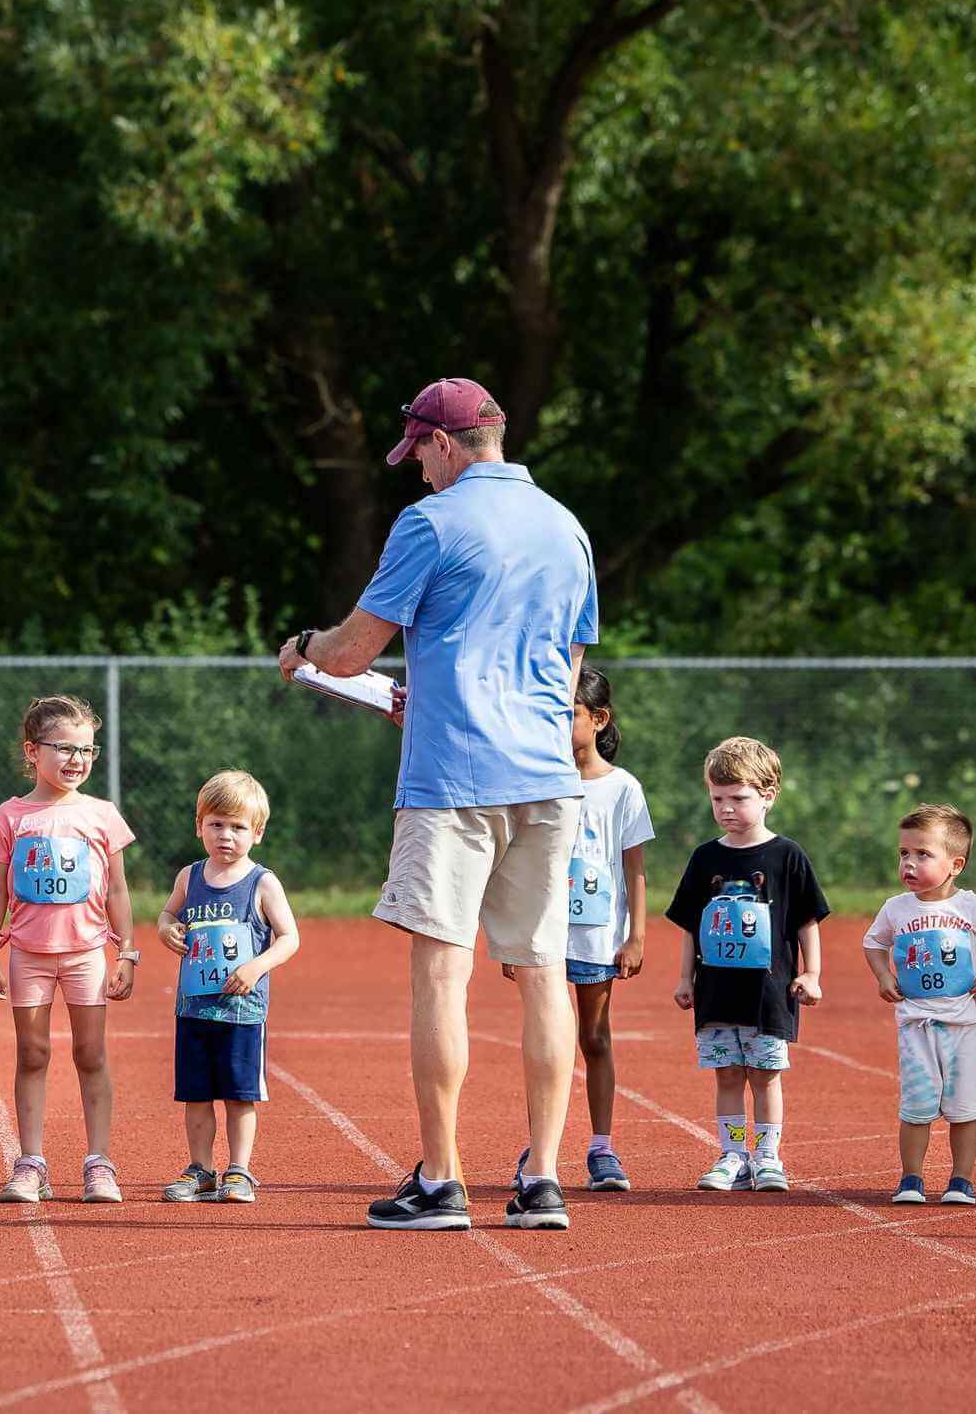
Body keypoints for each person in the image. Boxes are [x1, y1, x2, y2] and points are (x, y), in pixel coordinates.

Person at [277, 376, 598, 1231]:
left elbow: (349, 653)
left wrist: (302, 648)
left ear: (446, 444)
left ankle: (442, 1179)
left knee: (442, 975)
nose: (415, 470)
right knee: (540, 977)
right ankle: (544, 1181)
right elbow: (562, 670)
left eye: (417, 452)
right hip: (545, 777)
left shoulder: (431, 522)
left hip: (454, 780)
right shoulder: (566, 527)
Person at [0, 694, 138, 1204]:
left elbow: (117, 890)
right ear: (32, 751)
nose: (76, 760)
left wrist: (127, 952)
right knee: (33, 1053)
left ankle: (99, 1163)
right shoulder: (11, 815)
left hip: (87, 954)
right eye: (64, 748)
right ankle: (31, 1163)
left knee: (90, 1054)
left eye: (87, 751)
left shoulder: (102, 814)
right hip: (28, 954)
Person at [503, 666, 653, 1192]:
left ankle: (601, 1148)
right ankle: (540, 1150)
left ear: (599, 719)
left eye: (567, 715)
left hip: (597, 935)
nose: (555, 724)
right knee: (547, 1038)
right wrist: (514, 932)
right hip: (542, 934)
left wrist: (635, 935)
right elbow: (519, 863)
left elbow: (634, 867)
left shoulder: (622, 789)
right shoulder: (536, 780)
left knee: (593, 1037)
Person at [667, 736, 826, 1193]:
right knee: (728, 1074)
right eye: (718, 798)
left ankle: (768, 1157)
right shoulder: (705, 858)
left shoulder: (787, 856)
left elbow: (806, 921)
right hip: (717, 990)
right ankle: (733, 1154)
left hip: (768, 992)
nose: (727, 808)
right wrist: (684, 978)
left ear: (768, 795)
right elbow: (691, 926)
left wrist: (811, 973)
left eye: (739, 798)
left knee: (765, 1075)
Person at [863, 803, 976, 1206]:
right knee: (916, 1105)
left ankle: (961, 1181)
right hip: (917, 1024)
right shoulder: (896, 908)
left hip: (966, 1024)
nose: (909, 863)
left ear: (956, 864)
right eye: (904, 854)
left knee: (965, 1107)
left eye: (923, 854)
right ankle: (911, 1178)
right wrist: (883, 976)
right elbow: (874, 943)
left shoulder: (975, 907)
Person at [157, 770, 299, 1204]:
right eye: (216, 824)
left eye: (238, 827)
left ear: (256, 833)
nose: (226, 836)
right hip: (194, 1010)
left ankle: (239, 1171)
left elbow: (289, 937)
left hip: (242, 1012)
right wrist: (167, 929)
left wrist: (256, 968)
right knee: (196, 1095)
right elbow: (167, 915)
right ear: (199, 825)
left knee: (240, 1096)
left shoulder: (262, 882)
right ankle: (200, 1170)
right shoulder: (190, 876)